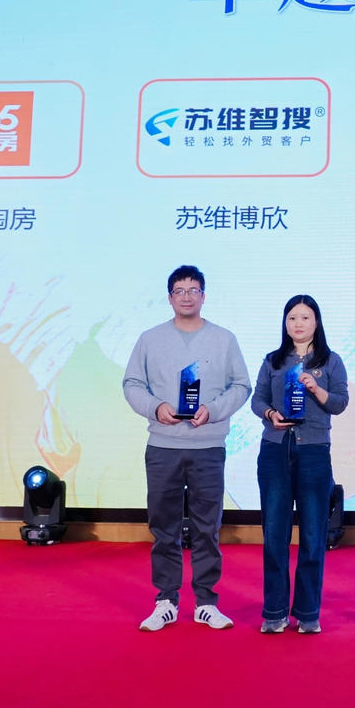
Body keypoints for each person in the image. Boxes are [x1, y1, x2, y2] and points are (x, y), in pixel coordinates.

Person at [123, 265, 251, 632]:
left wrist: (214, 410)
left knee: (207, 528)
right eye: (179, 291)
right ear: (169, 298)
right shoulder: (150, 339)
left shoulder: (224, 339)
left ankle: (206, 602)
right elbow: (132, 383)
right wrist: (155, 408)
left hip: (208, 446)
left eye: (193, 290)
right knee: (163, 527)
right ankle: (165, 601)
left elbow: (242, 386)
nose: (187, 296)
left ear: (204, 296)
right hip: (163, 446)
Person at [250, 295, 349, 635]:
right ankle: (274, 612)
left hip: (314, 453)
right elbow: (258, 399)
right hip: (275, 450)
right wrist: (270, 414)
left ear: (316, 322)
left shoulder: (331, 361)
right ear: (285, 323)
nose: (298, 324)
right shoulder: (273, 360)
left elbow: (340, 403)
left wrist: (316, 389)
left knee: (312, 534)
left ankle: (308, 613)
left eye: (305, 317)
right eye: (292, 318)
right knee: (274, 534)